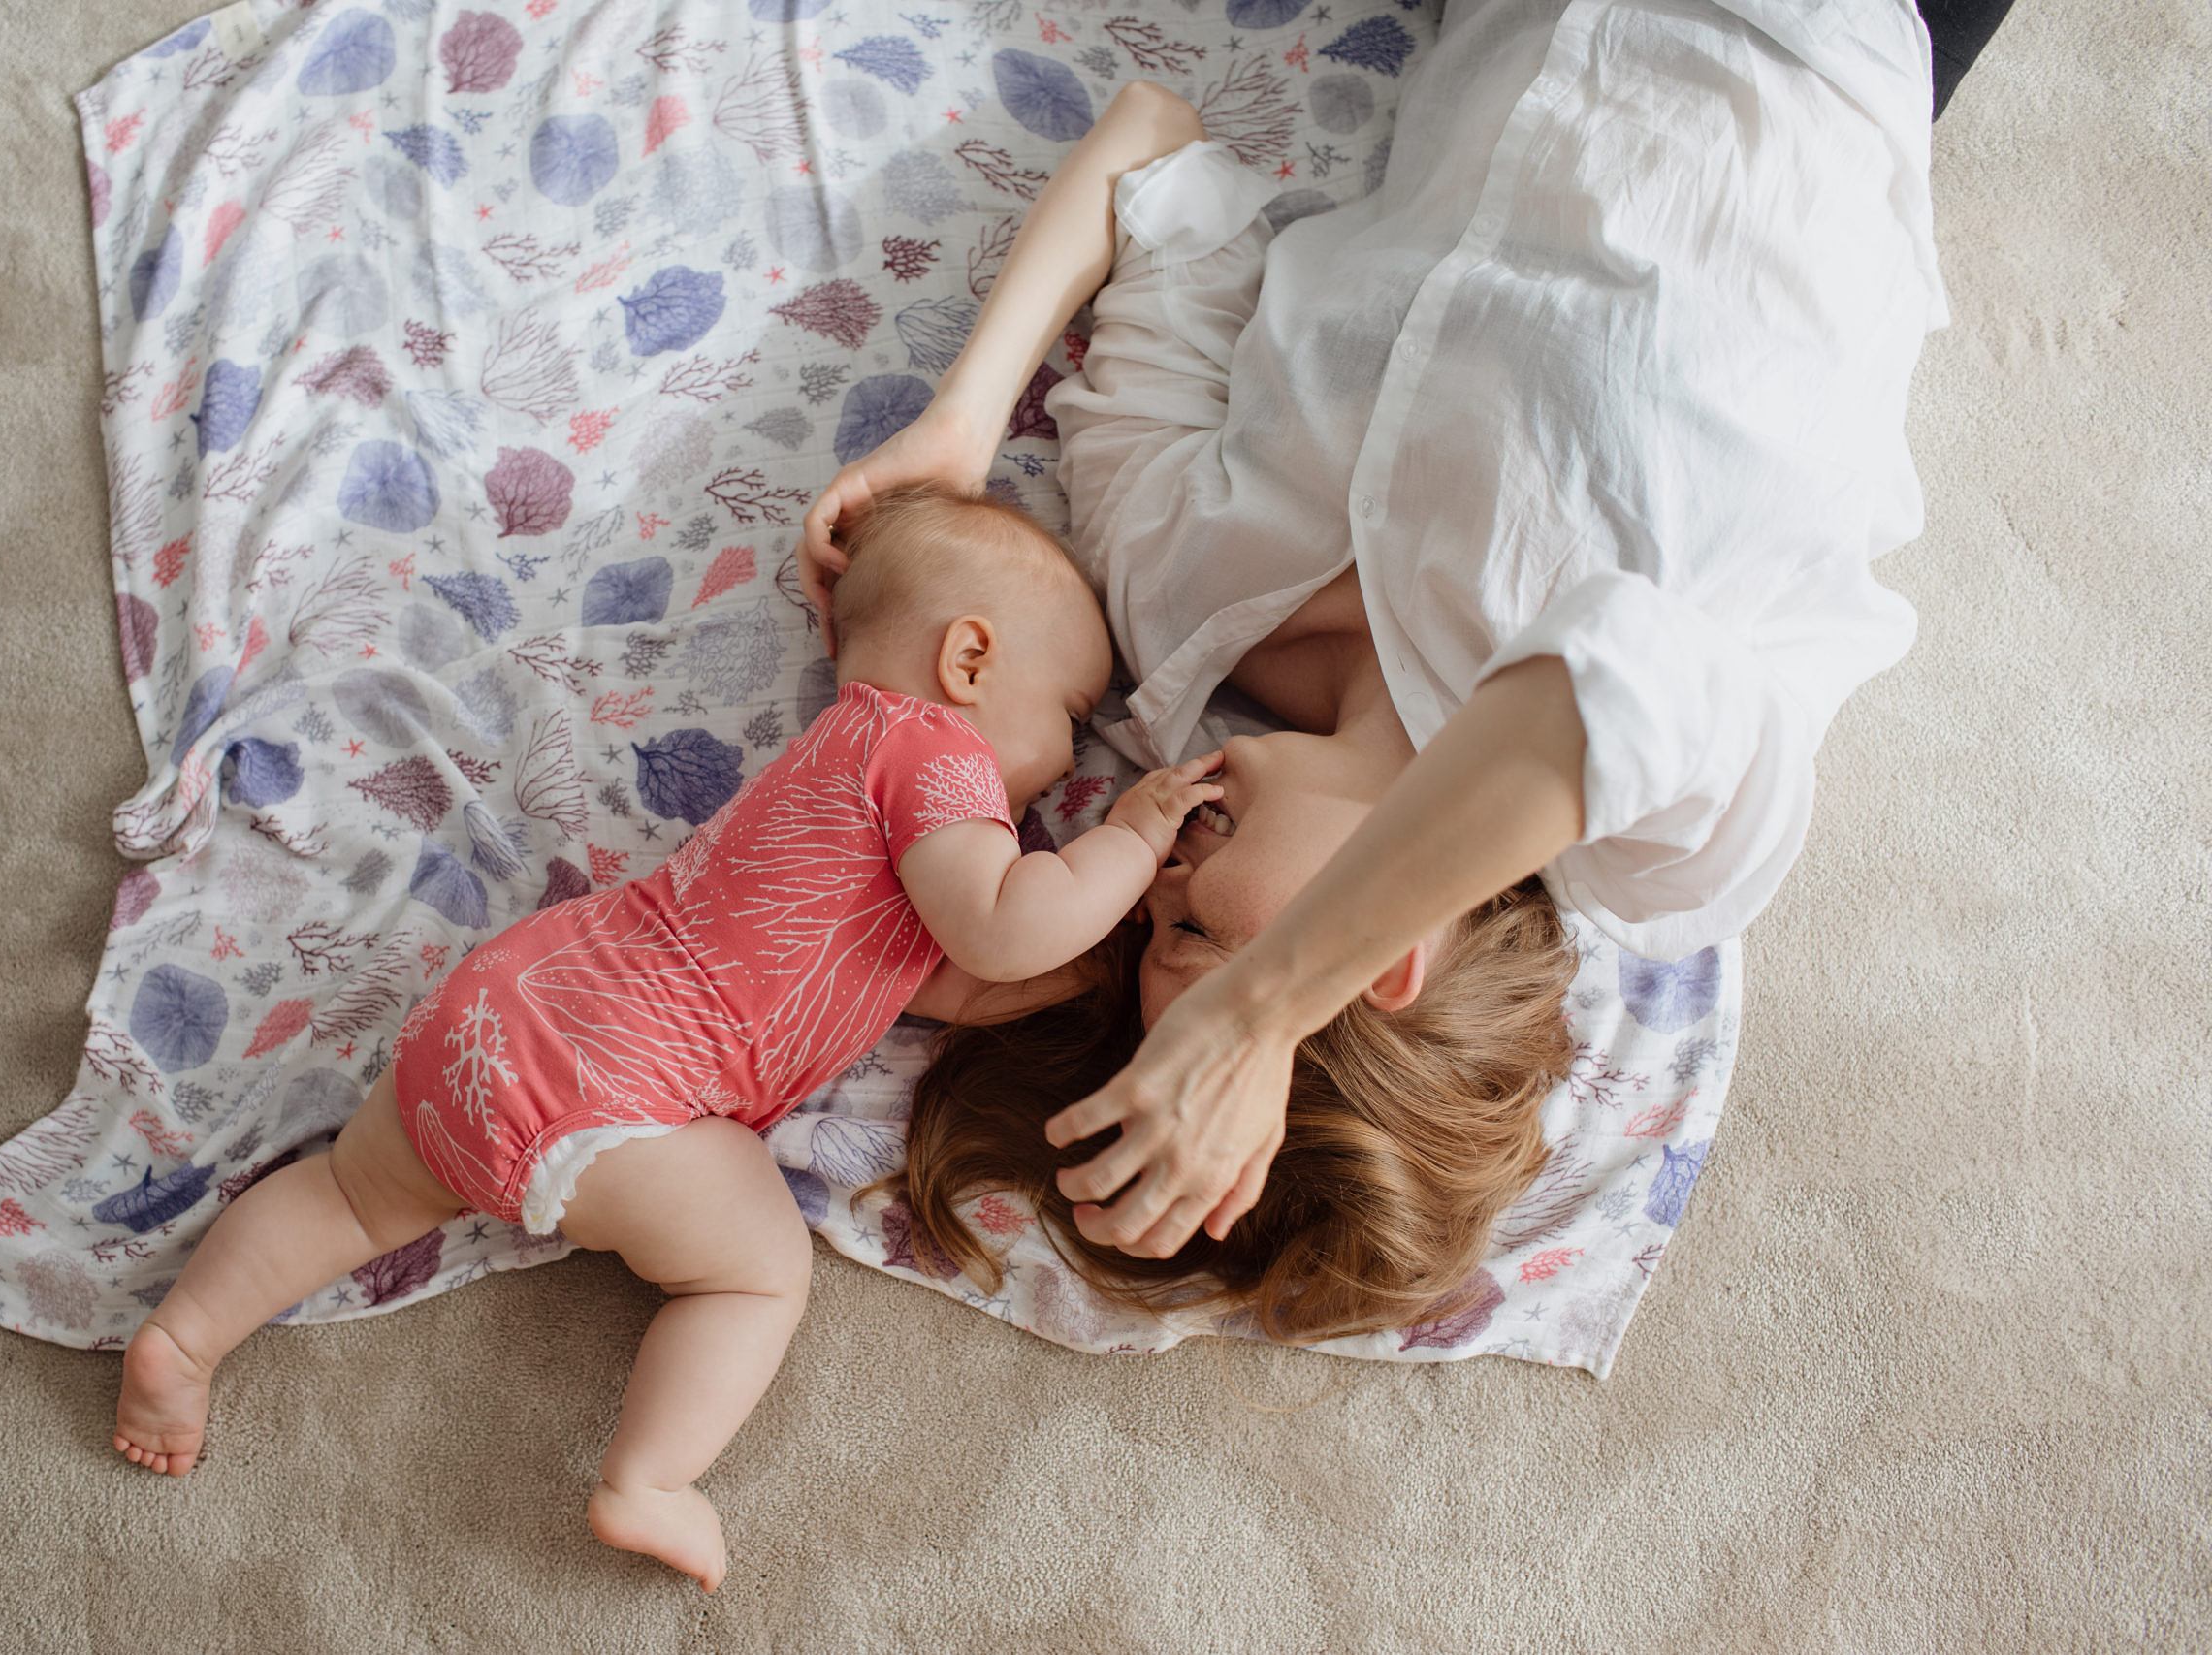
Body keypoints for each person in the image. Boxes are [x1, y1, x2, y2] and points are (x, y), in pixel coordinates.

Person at [804, 0, 1947, 1274]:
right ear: (1384, 965)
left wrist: (961, 425)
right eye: (1194, 936)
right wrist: (1259, 1010)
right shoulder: (1658, 852)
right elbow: (1609, 663)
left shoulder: (1168, 593)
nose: (1154, 872)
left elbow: (1152, 149)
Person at [109, 485, 1225, 1591]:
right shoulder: (939, 757)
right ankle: (648, 1480)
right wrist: (1124, 843)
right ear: (968, 662)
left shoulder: (844, 762)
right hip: (622, 1087)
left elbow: (955, 980)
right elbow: (1002, 925)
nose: (1072, 768)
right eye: (1071, 722)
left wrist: (1101, 960)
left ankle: (186, 1339)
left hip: (509, 1004)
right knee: (755, 1274)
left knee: (353, 1197)